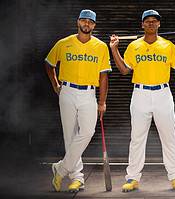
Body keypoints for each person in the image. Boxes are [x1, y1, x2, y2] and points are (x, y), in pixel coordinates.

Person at [109, 9, 175, 192]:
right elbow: (124, 70)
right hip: (140, 94)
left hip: (163, 93)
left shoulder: (167, 45)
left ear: (159, 24)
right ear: (142, 24)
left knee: (169, 137)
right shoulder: (134, 46)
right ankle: (132, 178)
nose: (151, 23)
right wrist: (114, 50)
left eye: (154, 21)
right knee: (137, 138)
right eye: (147, 21)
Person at [45, 9, 111, 192]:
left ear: (94, 25)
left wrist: (102, 102)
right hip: (67, 91)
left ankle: (61, 168)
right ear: (78, 22)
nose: (87, 24)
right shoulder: (63, 43)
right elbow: (49, 64)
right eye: (84, 21)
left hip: (88, 93)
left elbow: (104, 76)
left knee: (87, 132)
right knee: (70, 136)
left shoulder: (100, 47)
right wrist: (55, 85)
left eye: (90, 22)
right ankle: (77, 178)